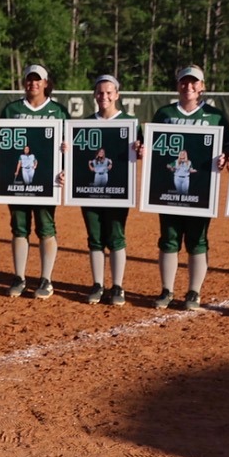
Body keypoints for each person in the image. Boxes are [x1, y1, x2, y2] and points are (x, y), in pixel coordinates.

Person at [149, 65, 229, 310]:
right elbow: (153, 148)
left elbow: (227, 148)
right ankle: (167, 290)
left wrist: (225, 157)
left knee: (197, 240)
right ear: (178, 85)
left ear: (202, 86)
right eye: (184, 82)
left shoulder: (215, 116)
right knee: (169, 238)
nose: (189, 86)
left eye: (194, 82)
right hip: (168, 190)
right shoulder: (164, 113)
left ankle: (194, 292)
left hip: (201, 189)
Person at [0, 63, 69, 300]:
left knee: (45, 227)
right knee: (19, 227)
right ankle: (19, 276)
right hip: (16, 183)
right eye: (29, 79)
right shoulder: (11, 110)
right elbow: (1, 146)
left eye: (38, 79)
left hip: (45, 182)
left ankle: (46, 278)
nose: (33, 83)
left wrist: (64, 161)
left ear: (46, 83)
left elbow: (69, 148)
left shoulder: (58, 111)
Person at [81, 74, 141, 307]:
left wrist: (140, 149)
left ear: (117, 95)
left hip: (117, 191)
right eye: (100, 92)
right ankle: (98, 284)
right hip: (90, 191)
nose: (104, 96)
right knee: (95, 238)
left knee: (116, 237)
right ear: (94, 95)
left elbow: (143, 153)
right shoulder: (85, 122)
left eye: (109, 92)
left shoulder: (130, 122)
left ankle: (117, 285)